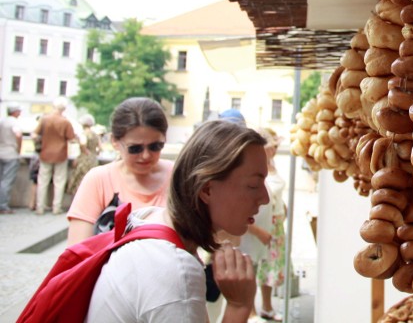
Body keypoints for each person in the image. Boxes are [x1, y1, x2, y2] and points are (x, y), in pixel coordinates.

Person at [85, 119, 269, 322]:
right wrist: (239, 306)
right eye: (253, 185)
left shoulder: (151, 218)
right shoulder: (175, 272)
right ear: (206, 189)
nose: (265, 198)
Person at [66, 98, 172, 245]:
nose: (146, 155)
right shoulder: (99, 180)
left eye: (155, 146)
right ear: (114, 141)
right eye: (135, 148)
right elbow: (77, 250)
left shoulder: (178, 176)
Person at [238, 128, 288, 321]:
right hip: (256, 224)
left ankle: (267, 307)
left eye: (276, 147)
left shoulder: (272, 165)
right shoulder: (251, 168)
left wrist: (283, 208)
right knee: (250, 266)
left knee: (270, 267)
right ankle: (249, 311)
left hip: (275, 222)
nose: (274, 150)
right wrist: (257, 231)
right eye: (271, 147)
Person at [33, 97, 77, 215]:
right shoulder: (65, 122)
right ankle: (56, 207)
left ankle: (40, 207)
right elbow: (72, 139)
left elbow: (34, 134)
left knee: (42, 181)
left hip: (45, 153)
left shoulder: (44, 119)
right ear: (64, 108)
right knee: (59, 181)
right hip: (60, 154)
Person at [66, 114, 101, 196]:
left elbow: (83, 145)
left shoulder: (83, 134)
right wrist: (94, 153)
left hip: (84, 159)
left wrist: (85, 152)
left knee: (80, 180)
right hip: (93, 159)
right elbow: (100, 147)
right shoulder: (96, 135)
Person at [0, 103, 23, 214]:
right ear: (14, 112)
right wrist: (19, 148)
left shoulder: (2, 121)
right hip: (10, 153)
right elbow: (18, 134)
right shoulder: (14, 122)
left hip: (1, 151)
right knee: (7, 180)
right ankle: (3, 206)